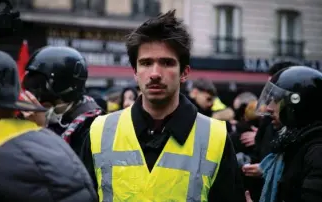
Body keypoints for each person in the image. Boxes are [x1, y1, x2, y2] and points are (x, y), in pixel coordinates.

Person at [87, 10, 245, 201]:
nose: (155, 73)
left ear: (184, 73)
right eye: (146, 63)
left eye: (167, 63)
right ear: (135, 73)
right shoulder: (99, 132)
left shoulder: (216, 138)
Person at [0, 48, 97, 202]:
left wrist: (39, 132)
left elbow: (68, 178)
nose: (33, 105)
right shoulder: (25, 123)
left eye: (44, 103)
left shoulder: (91, 128)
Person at [247, 66, 322, 202]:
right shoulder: (293, 143)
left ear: (298, 105)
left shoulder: (317, 152)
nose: (269, 108)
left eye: (276, 100)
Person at [22, 46, 103, 157]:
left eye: (40, 85)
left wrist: (41, 130)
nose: (34, 96)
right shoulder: (29, 119)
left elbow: (69, 168)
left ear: (63, 86)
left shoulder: (92, 128)